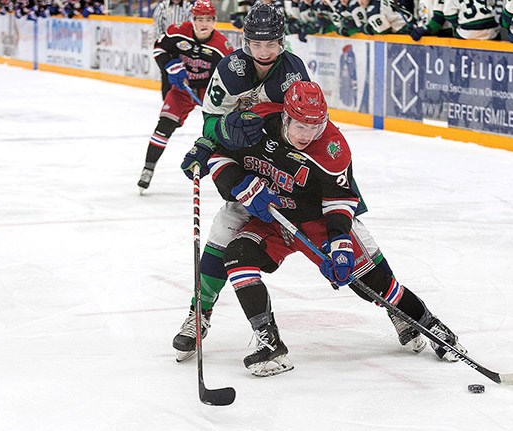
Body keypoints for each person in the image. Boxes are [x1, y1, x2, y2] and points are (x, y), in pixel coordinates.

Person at [172, 2, 425, 362]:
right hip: (253, 168)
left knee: (355, 240)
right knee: (223, 230)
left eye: (271, 43)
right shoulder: (229, 69)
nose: (264, 52)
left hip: (293, 173)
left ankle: (397, 310)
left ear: (283, 41)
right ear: (244, 41)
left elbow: (303, 129)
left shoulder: (293, 73)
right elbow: (211, 123)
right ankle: (200, 315)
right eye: (256, 44)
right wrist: (218, 138)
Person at [212, 81, 466, 376]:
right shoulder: (257, 123)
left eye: (315, 128)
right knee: (238, 256)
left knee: (372, 284)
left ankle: (432, 325)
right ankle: (270, 344)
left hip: (315, 221)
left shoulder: (332, 147)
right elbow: (220, 156)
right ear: (285, 116)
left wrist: (340, 242)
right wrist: (238, 184)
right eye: (301, 127)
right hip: (272, 218)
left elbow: (340, 201)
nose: (308, 135)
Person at [137, 0, 233, 193]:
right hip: (182, 89)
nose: (203, 24)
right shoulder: (178, 31)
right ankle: (148, 167)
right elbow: (158, 48)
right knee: (164, 125)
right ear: (192, 19)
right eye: (199, 19)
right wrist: (170, 66)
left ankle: (232, 177)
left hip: (208, 91)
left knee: (221, 131)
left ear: (214, 21)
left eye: (208, 19)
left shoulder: (222, 47)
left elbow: (228, 79)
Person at [152, 0, 194, 100]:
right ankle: (167, 100)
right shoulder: (162, 7)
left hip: (183, 47)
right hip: (166, 47)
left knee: (185, 73)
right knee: (166, 72)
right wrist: (162, 44)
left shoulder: (189, 7)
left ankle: (184, 99)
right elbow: (157, 28)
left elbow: (192, 27)